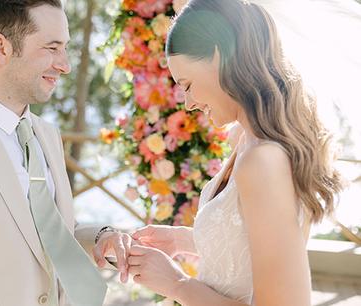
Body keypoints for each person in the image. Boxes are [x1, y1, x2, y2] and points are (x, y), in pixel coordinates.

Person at [127, 0, 343, 305]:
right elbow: (248, 242)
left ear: (218, 57)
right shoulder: (243, 139)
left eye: (186, 84)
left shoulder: (263, 161)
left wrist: (176, 283)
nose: (187, 103)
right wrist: (184, 239)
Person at [0, 1, 132, 306]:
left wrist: (100, 236)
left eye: (64, 48)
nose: (65, 65)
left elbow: (45, 234)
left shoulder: (46, 135)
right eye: (52, 48)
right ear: (0, 47)